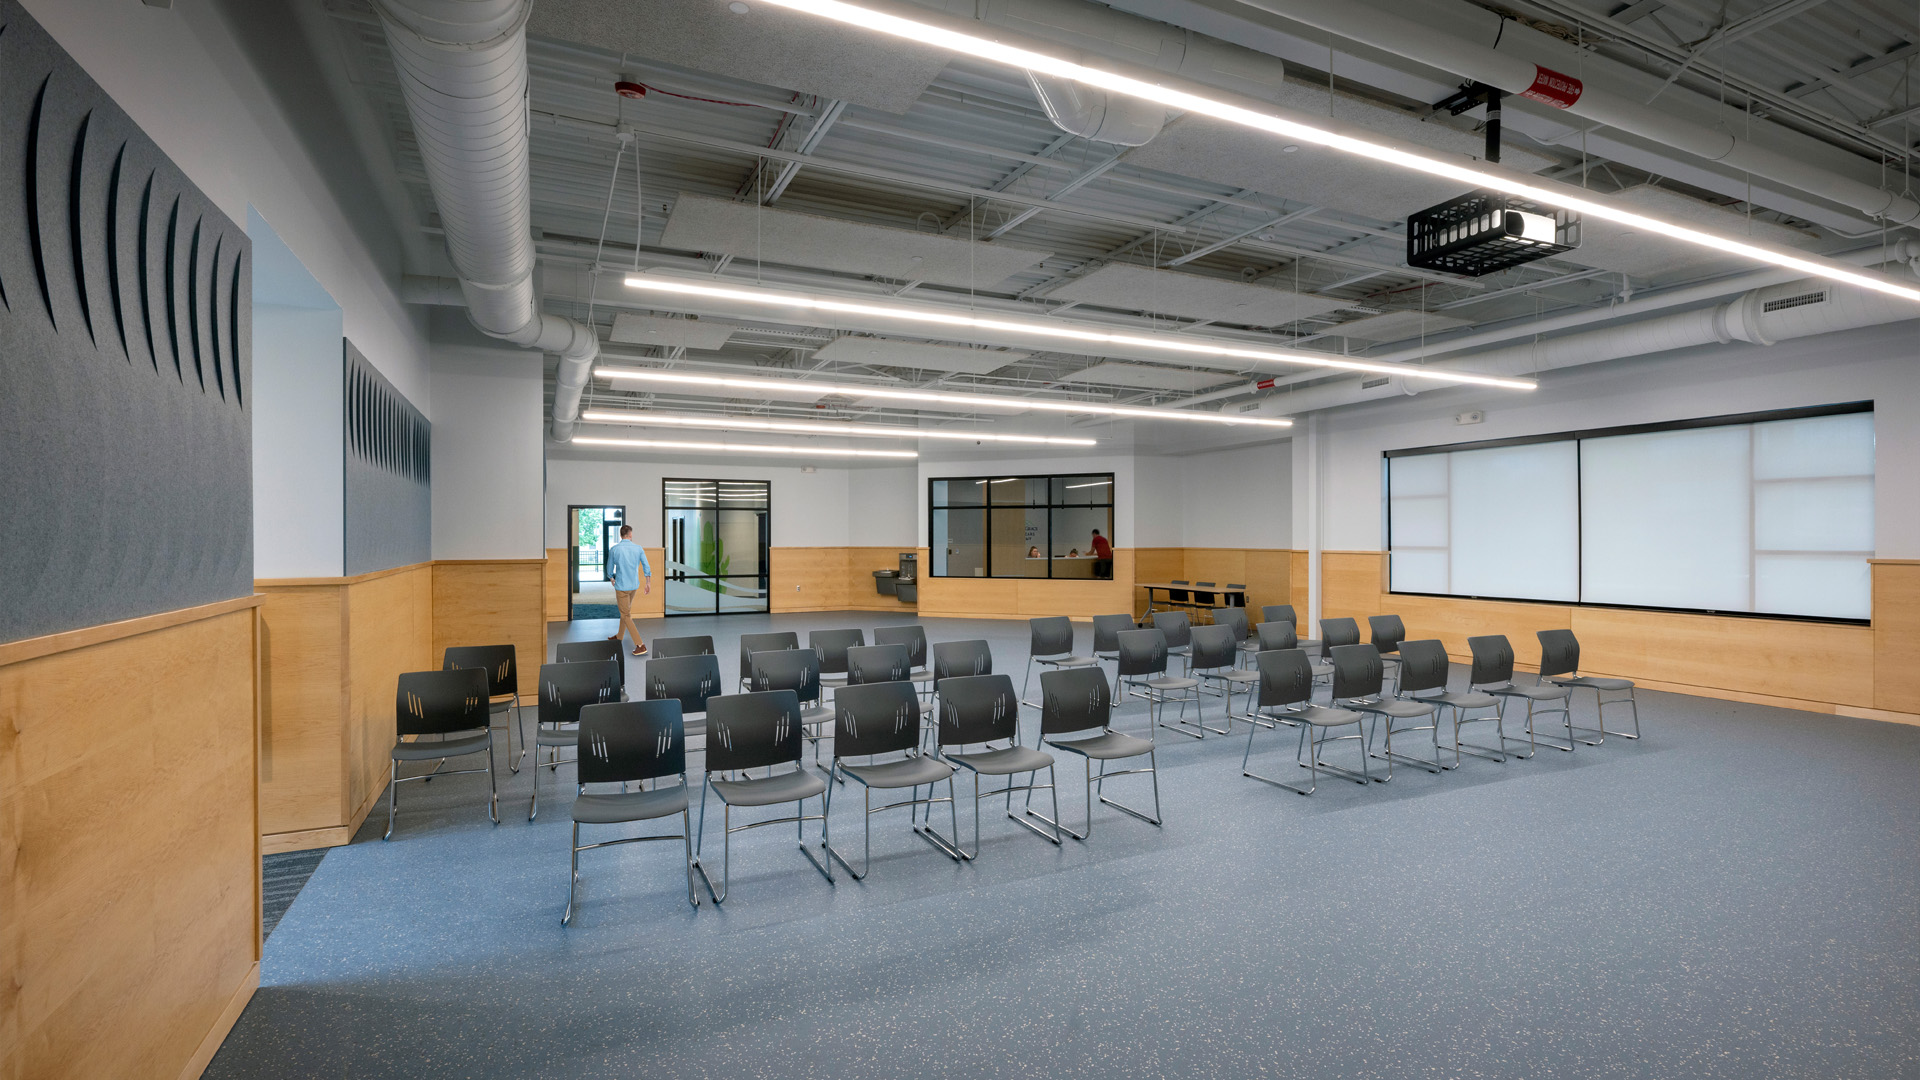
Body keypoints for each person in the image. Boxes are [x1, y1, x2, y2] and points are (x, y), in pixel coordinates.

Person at [606, 524, 652, 656]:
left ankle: (640, 645)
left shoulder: (615, 549)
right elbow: (646, 566)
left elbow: (609, 569)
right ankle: (619, 637)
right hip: (633, 586)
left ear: (621, 535)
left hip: (621, 587)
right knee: (625, 611)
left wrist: (611, 578)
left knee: (625, 614)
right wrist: (648, 582)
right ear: (630, 535)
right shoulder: (638, 548)